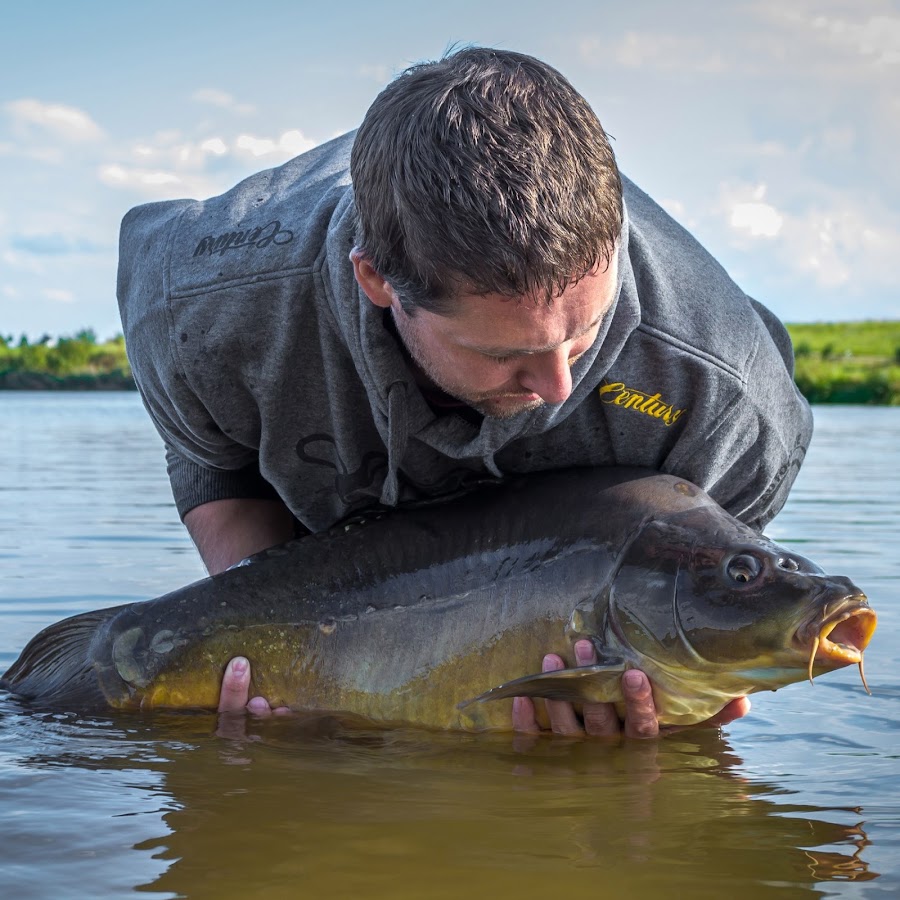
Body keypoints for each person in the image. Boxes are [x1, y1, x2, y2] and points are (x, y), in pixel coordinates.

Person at [117, 47, 811, 738]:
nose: (557, 385)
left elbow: (707, 624)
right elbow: (215, 455)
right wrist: (279, 651)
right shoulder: (201, 304)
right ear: (377, 282)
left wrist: (668, 707)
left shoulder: (724, 396)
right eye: (505, 353)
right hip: (329, 544)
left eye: (585, 334)